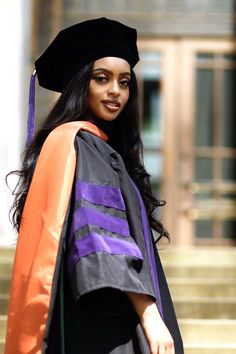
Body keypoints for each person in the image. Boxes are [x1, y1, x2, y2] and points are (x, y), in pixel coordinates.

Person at [5, 18, 184, 354]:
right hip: (107, 324)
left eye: (125, 82)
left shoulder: (68, 143)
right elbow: (104, 240)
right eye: (101, 79)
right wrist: (151, 314)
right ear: (80, 84)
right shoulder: (85, 146)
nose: (115, 90)